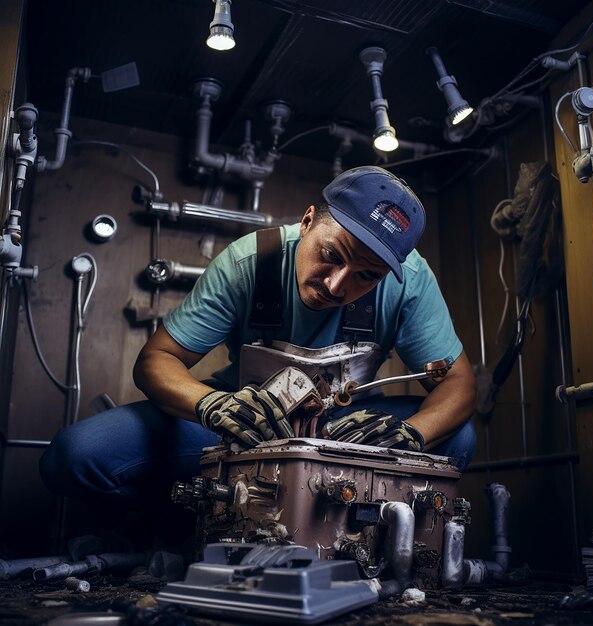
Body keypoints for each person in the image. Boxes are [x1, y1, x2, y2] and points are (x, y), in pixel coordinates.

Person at [40, 165, 476, 513]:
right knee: (73, 456)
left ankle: (357, 528)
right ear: (307, 221)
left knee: (457, 438)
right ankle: (184, 522)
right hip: (242, 424)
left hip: (343, 433)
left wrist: (410, 436)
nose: (338, 285)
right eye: (331, 256)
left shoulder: (409, 281)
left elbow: (458, 384)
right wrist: (213, 407)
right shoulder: (250, 262)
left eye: (366, 276)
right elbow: (156, 359)